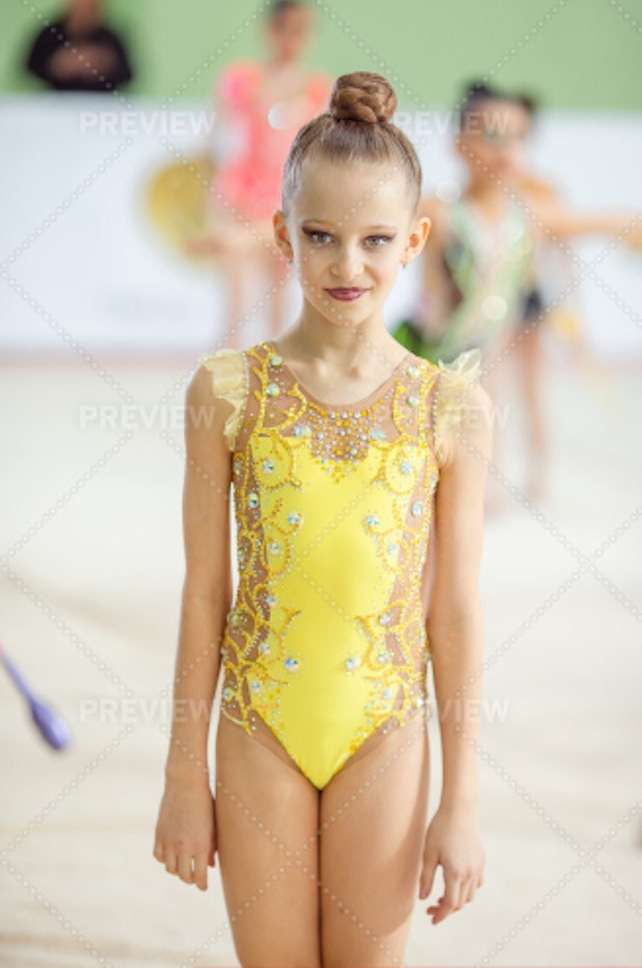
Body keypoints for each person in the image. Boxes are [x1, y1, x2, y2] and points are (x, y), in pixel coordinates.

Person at [153, 71, 493, 966]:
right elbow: (203, 595)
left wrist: (461, 801)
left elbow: (452, 614)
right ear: (281, 235)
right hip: (259, 721)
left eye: (377, 240)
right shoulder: (227, 392)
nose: (349, 265)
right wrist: (184, 772)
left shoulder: (449, 409)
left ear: (415, 239)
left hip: (382, 728)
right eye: (321, 237)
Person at [394, 81, 642, 505]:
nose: (508, 148)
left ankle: (511, 481)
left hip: (485, 356)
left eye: (519, 137)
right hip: (429, 356)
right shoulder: (438, 210)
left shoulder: (532, 216)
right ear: (460, 144)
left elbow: (614, 222)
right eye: (493, 135)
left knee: (492, 398)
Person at [192, 0, 332, 346]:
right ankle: (228, 378)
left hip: (286, 198)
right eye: (284, 29)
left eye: (301, 30)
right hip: (239, 192)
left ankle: (272, 383)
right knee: (236, 303)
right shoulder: (243, 80)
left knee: (279, 302)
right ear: (269, 31)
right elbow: (215, 140)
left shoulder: (317, 90)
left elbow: (321, 154)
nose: (291, 39)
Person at [24, 0, 132, 93]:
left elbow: (127, 74)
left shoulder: (111, 37)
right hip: (55, 106)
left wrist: (103, 64)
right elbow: (29, 69)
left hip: (101, 106)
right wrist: (58, 65)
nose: (84, 0)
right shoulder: (49, 35)